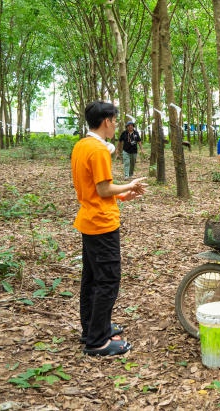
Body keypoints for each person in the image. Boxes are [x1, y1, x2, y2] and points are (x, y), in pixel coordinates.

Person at [71, 101, 147, 356]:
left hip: (89, 219)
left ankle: (92, 327)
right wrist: (129, 184)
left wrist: (125, 195)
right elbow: (104, 189)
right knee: (108, 280)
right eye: (115, 121)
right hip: (102, 224)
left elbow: (95, 190)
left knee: (91, 279)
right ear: (106, 121)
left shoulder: (82, 145)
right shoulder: (99, 149)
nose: (116, 125)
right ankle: (98, 340)